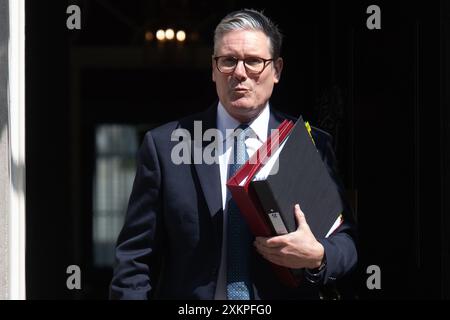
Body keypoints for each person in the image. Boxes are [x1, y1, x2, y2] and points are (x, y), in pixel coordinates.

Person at [110, 9, 357, 300]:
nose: (239, 73)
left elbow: (346, 244)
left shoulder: (308, 145)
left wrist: (317, 256)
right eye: (228, 61)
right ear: (213, 70)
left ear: (276, 70)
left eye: (254, 61)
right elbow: (135, 260)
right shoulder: (165, 146)